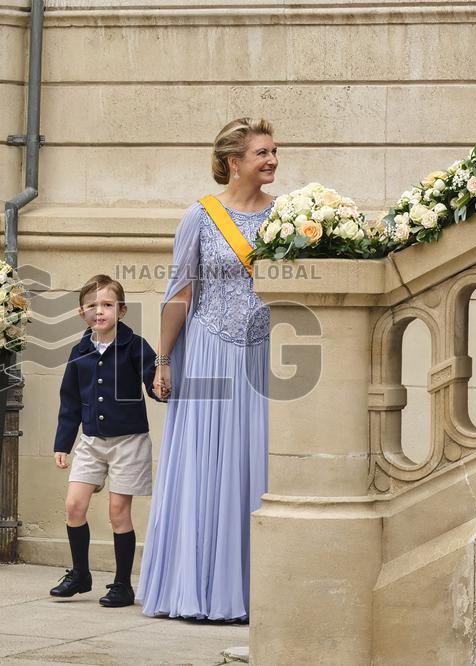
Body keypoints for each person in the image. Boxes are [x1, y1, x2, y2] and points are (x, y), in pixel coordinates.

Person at [137, 117, 276, 621]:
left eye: (274, 151)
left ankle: (256, 591)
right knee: (205, 465)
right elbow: (179, 293)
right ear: (233, 162)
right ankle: (197, 588)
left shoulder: (291, 216)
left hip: (261, 354)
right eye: (262, 152)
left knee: (253, 465)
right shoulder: (201, 215)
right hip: (208, 353)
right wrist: (164, 360)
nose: (272, 160)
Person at [50, 274, 160, 608]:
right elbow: (69, 402)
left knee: (117, 512)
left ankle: (123, 585)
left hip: (128, 441)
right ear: (82, 313)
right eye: (92, 306)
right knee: (74, 505)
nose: (100, 311)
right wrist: (62, 444)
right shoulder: (79, 352)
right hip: (91, 442)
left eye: (108, 305)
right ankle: (80, 573)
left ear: (122, 310)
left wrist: (163, 389)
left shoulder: (135, 346)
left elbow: (155, 382)